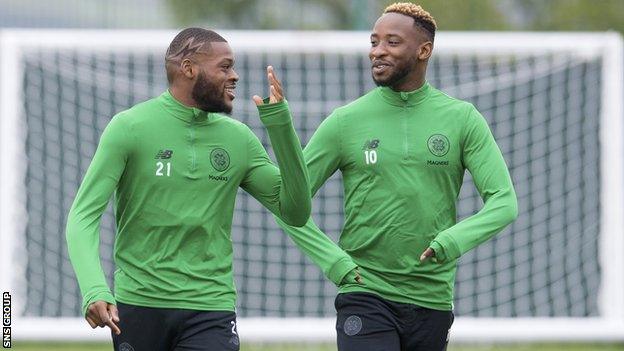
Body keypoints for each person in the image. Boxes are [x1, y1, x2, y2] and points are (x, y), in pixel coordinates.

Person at [277, 3, 518, 350]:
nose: (377, 51)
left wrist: (451, 241)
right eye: (374, 42)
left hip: (431, 298)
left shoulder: (463, 119)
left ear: (424, 50)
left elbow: (504, 202)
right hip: (364, 292)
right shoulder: (345, 121)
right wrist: (333, 262)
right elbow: (288, 202)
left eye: (392, 42)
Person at [66, 27, 318, 351]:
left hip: (211, 306)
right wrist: (94, 289)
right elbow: (82, 217)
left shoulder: (239, 139)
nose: (235, 76)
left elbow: (296, 211)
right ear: (188, 69)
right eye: (225, 67)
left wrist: (280, 124)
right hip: (140, 304)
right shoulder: (129, 128)